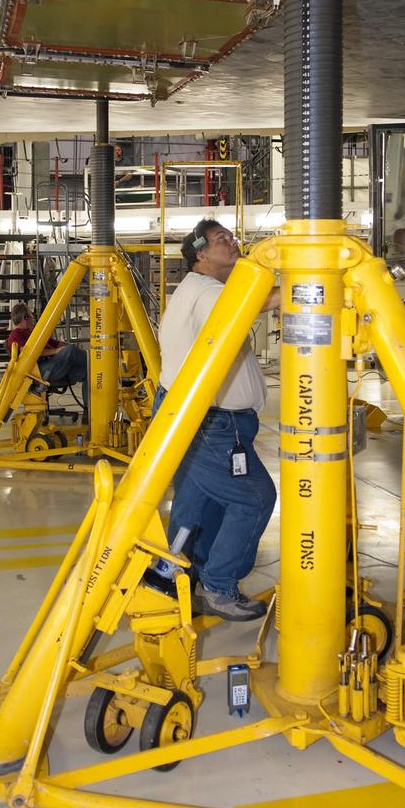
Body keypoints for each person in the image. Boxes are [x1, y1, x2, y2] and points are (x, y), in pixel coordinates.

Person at [154, 218, 280, 621]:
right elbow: (246, 306)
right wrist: (307, 285)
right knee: (254, 498)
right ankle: (218, 586)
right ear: (200, 254)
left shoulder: (200, 290)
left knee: (195, 505)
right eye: (219, 239)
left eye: (231, 234)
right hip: (212, 423)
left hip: (199, 415)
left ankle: (171, 580)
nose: (231, 240)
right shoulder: (207, 291)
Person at [6, 303, 88, 417]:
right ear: (25, 318)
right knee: (71, 351)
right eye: (31, 315)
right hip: (41, 371)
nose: (33, 318)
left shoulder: (34, 332)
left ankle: (88, 410)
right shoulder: (15, 336)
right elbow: (30, 355)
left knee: (88, 372)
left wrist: (70, 348)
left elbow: (56, 343)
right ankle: (90, 361)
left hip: (55, 365)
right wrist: (58, 351)